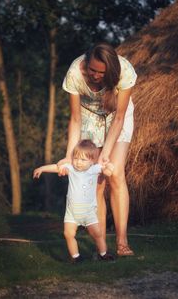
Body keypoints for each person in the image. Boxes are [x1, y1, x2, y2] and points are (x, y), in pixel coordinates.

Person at [57, 42, 137, 256]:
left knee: (115, 173)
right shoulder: (75, 72)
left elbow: (119, 117)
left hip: (116, 116)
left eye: (101, 72)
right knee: (97, 183)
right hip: (88, 116)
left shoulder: (124, 70)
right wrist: (68, 156)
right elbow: (75, 119)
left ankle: (122, 242)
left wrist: (105, 155)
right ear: (87, 62)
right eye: (92, 70)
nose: (95, 75)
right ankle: (101, 246)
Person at [33, 139, 115, 263]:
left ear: (92, 160)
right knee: (68, 234)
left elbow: (108, 170)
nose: (78, 163)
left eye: (83, 160)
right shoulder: (71, 168)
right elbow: (56, 167)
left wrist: (108, 167)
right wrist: (42, 168)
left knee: (97, 234)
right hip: (72, 212)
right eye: (76, 158)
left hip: (88, 212)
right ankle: (76, 257)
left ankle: (104, 254)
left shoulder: (94, 169)